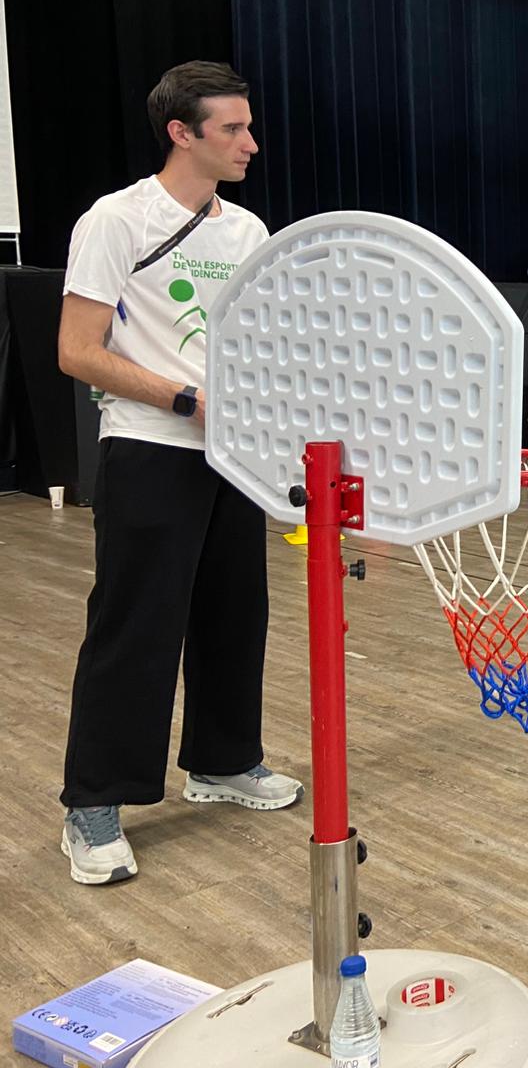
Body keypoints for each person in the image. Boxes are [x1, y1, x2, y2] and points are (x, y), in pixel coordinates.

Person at [57, 61, 301, 886]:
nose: (250, 143)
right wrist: (182, 397)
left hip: (232, 455)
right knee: (137, 627)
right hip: (149, 447)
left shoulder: (250, 233)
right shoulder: (115, 221)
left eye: (248, 125)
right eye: (232, 128)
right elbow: (76, 352)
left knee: (237, 616)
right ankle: (94, 803)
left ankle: (224, 762)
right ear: (181, 133)